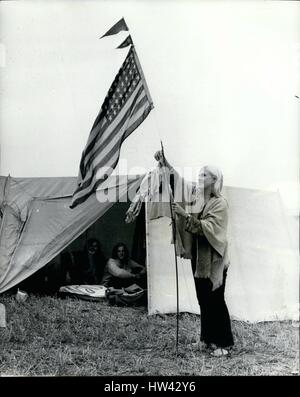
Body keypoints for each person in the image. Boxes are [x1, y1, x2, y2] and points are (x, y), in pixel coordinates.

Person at [154, 150, 234, 357]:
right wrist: (165, 163)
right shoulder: (195, 195)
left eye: (204, 175)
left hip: (214, 259)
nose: (200, 177)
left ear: (214, 180)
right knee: (203, 299)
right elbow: (177, 182)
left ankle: (224, 343)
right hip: (200, 258)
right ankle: (206, 340)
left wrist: (184, 215)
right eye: (199, 174)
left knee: (216, 299)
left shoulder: (220, 203)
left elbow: (210, 228)